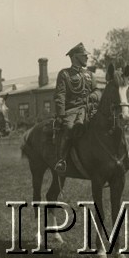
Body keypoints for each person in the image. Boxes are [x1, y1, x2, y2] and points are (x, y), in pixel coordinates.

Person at [53, 43, 101, 173]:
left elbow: (97, 91)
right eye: (84, 56)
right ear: (75, 57)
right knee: (68, 128)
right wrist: (60, 115)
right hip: (72, 110)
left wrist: (93, 97)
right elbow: (60, 95)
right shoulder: (64, 74)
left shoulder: (90, 75)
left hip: (90, 108)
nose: (86, 58)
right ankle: (61, 160)